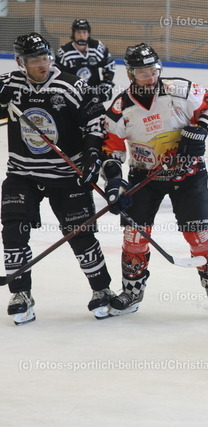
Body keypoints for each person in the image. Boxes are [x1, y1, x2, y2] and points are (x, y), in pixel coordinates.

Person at [100, 43, 208, 317]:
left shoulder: (180, 90)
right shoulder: (121, 107)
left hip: (189, 174)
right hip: (145, 177)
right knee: (134, 236)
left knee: (199, 235)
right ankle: (132, 291)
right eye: (142, 73)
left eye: (153, 70)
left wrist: (200, 129)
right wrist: (115, 183)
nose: (150, 77)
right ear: (130, 74)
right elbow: (110, 150)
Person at [0, 33, 114, 324]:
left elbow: (95, 120)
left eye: (45, 58)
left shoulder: (70, 84)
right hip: (22, 173)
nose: (42, 64)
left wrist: (92, 154)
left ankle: (101, 289)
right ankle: (21, 294)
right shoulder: (8, 84)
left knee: (80, 233)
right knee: (13, 231)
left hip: (66, 174)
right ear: (20, 62)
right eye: (34, 60)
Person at [55, 19, 115, 103]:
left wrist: (106, 82)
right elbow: (58, 74)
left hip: (94, 93)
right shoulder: (64, 52)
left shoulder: (96, 47)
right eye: (78, 32)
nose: (81, 35)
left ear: (88, 34)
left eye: (84, 32)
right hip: (73, 94)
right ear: (73, 33)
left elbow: (109, 63)